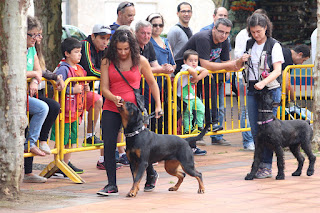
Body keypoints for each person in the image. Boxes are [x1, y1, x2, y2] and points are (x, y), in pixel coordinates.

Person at [97, 28, 162, 196]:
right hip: (111, 107)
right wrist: (113, 98)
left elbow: (152, 83)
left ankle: (151, 173)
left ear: (131, 47)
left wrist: (158, 105)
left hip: (133, 111)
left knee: (140, 146)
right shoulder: (107, 61)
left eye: (126, 49)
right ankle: (111, 184)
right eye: (119, 49)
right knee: (109, 145)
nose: (123, 52)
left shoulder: (140, 61)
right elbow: (103, 88)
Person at [175, 18, 242, 140]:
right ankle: (200, 129)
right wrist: (229, 66)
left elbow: (226, 62)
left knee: (203, 98)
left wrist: (236, 64)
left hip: (198, 71)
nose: (224, 35)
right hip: (183, 72)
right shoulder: (204, 37)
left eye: (227, 33)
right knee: (188, 108)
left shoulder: (225, 41)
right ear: (214, 29)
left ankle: (210, 123)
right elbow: (207, 64)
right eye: (221, 31)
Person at [239, 13, 284, 179]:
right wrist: (240, 60)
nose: (256, 35)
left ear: (266, 28)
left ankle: (266, 165)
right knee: (255, 129)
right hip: (252, 90)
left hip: (270, 90)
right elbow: (240, 65)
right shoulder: (249, 44)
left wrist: (264, 83)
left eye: (258, 31)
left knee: (269, 131)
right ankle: (257, 165)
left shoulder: (274, 45)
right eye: (253, 32)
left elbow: (278, 71)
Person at [51, 37, 102, 176]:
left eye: (80, 52)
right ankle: (58, 164)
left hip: (75, 111)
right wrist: (72, 90)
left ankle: (65, 165)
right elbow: (58, 87)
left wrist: (85, 87)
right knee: (63, 139)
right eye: (76, 52)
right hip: (64, 111)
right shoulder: (62, 69)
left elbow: (81, 82)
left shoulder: (80, 68)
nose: (80, 55)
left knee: (71, 140)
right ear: (67, 53)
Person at [233, 9, 268, 151]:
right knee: (247, 110)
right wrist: (243, 59)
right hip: (245, 78)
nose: (257, 33)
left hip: (261, 81)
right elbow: (238, 57)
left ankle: (257, 141)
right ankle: (248, 141)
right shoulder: (244, 35)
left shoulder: (267, 40)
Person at [79, 24, 113, 170]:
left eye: (107, 39)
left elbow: (108, 66)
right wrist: (110, 76)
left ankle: (90, 136)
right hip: (71, 91)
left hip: (85, 91)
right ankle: (62, 161)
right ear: (93, 36)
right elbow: (91, 69)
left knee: (97, 101)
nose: (105, 42)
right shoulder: (85, 45)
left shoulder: (104, 50)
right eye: (102, 38)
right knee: (68, 128)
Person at [24, 16, 50, 183]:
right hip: (11, 95)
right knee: (42, 108)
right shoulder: (14, 48)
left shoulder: (32, 49)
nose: (36, 39)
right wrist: (33, 75)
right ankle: (32, 143)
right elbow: (14, 71)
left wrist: (34, 79)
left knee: (49, 107)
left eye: (38, 35)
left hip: (25, 94)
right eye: (32, 35)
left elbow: (38, 70)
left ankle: (37, 141)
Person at [200, 7, 231, 146]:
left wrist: (228, 69)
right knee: (200, 105)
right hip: (200, 75)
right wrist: (227, 67)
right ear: (214, 17)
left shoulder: (225, 36)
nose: (223, 34)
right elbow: (204, 63)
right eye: (220, 15)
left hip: (216, 76)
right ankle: (198, 134)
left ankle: (217, 136)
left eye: (225, 15)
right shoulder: (205, 33)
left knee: (219, 105)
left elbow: (226, 59)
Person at [146, 13, 176, 134]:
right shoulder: (147, 42)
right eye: (154, 25)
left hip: (166, 84)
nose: (158, 27)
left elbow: (173, 63)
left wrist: (169, 68)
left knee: (167, 115)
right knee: (153, 116)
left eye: (160, 25)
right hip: (150, 84)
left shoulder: (165, 40)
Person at [177, 50, 208, 140]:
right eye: (190, 60)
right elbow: (193, 72)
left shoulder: (195, 67)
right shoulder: (185, 67)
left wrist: (197, 78)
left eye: (195, 60)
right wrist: (196, 76)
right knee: (188, 113)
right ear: (185, 61)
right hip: (184, 96)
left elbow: (205, 71)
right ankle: (188, 130)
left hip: (192, 95)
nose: (193, 62)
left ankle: (198, 126)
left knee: (201, 108)